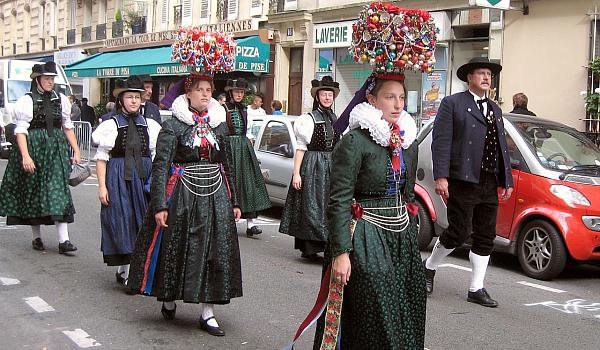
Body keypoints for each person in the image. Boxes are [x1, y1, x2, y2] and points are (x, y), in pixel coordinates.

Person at [128, 30, 242, 337]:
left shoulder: (220, 124)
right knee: (177, 248)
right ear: (188, 92)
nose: (206, 94)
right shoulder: (174, 124)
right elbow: (161, 166)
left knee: (214, 251)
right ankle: (168, 296)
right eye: (200, 89)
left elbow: (227, 164)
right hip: (182, 194)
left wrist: (234, 201)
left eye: (209, 89)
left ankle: (208, 311)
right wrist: (159, 206)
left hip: (216, 194)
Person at [423, 57, 514, 307]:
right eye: (482, 73)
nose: (487, 78)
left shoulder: (495, 108)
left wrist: (506, 178)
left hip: (488, 180)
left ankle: (476, 288)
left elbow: (500, 147)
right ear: (469, 78)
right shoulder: (452, 103)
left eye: (490, 74)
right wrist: (441, 176)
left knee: (486, 235)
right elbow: (440, 142)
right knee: (459, 231)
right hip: (462, 178)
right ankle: (429, 267)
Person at [0, 61, 80, 254]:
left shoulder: (61, 100)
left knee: (59, 189)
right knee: (34, 190)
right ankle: (36, 237)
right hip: (34, 147)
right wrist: (26, 156)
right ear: (37, 80)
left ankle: (64, 240)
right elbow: (21, 131)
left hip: (56, 150)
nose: (50, 82)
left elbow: (67, 126)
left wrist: (76, 150)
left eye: (52, 78)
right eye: (46, 78)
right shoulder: (26, 101)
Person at [92, 76, 161, 287]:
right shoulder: (111, 125)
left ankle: (132, 270)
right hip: (119, 176)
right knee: (123, 219)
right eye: (129, 97)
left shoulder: (150, 125)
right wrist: (102, 186)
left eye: (137, 97)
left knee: (142, 221)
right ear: (121, 100)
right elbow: (102, 158)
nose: (134, 101)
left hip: (143, 176)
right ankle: (127, 271)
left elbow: (156, 154)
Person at [279, 76, 341, 260]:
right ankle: (310, 248)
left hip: (331, 165)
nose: (327, 98)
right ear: (317, 97)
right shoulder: (308, 119)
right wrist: (296, 173)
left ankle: (327, 243)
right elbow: (300, 148)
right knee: (311, 206)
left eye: (330, 95)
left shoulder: (335, 118)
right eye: (324, 94)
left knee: (328, 205)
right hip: (313, 165)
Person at [223, 79, 271, 236]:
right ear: (231, 93)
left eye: (241, 92)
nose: (239, 94)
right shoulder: (223, 108)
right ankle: (227, 221)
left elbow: (247, 129)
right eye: (236, 92)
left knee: (249, 184)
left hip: (243, 148)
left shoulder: (244, 109)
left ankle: (251, 224)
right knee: (230, 184)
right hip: (229, 146)